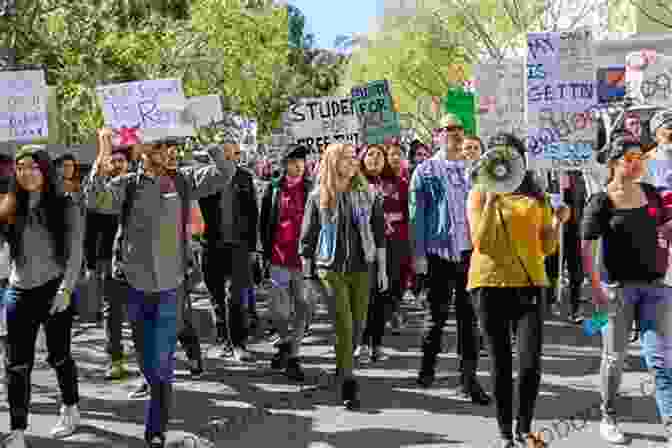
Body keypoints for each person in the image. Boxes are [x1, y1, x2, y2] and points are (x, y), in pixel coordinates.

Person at [89, 130, 235, 448]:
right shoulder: (127, 184)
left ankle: (155, 432)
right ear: (142, 151)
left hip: (172, 288)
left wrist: (206, 137)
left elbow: (224, 173)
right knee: (147, 362)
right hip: (135, 287)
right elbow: (95, 197)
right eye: (160, 146)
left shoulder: (183, 181)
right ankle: (156, 397)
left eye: (171, 147)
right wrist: (104, 148)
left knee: (163, 362)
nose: (168, 152)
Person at [467, 133, 569, 447]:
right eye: (498, 154)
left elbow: (548, 247)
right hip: (489, 285)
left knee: (529, 363)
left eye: (511, 154)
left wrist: (557, 224)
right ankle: (504, 433)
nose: (505, 160)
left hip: (529, 285)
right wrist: (492, 200)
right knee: (500, 363)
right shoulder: (478, 193)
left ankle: (524, 428)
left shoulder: (536, 197)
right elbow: (480, 242)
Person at [581, 137, 672, 445]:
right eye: (629, 158)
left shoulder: (651, 194)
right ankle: (609, 416)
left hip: (655, 290)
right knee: (615, 357)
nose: (636, 163)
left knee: (660, 358)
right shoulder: (601, 201)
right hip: (617, 292)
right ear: (613, 163)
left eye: (640, 158)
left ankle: (670, 422)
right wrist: (597, 290)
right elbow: (586, 249)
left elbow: (665, 227)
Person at [0, 145, 84, 448]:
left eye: (32, 166)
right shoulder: (9, 204)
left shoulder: (65, 204)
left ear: (45, 169)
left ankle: (70, 408)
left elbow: (76, 253)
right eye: (20, 167)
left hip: (54, 290)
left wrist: (66, 289)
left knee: (59, 356)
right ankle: (18, 431)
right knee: (16, 365)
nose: (25, 172)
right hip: (18, 292)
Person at [299, 142, 387, 409]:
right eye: (346, 158)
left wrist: (381, 269)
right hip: (330, 269)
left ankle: (342, 365)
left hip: (362, 269)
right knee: (344, 326)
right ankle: (349, 381)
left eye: (353, 158)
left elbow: (379, 233)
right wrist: (307, 279)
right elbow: (307, 239)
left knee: (358, 326)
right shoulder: (318, 196)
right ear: (333, 161)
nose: (352, 162)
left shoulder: (368, 193)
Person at [410, 114, 490, 405]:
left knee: (469, 322)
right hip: (439, 256)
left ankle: (469, 382)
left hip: (472, 256)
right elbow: (416, 218)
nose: (454, 134)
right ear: (437, 134)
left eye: (458, 129)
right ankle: (427, 368)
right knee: (436, 318)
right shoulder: (425, 171)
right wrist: (419, 256)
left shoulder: (476, 171)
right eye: (448, 129)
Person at [199, 141, 258, 363]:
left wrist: (253, 248)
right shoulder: (204, 177)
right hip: (211, 245)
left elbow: (253, 213)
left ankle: (239, 343)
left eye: (236, 153)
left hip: (239, 247)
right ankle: (224, 340)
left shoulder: (245, 177)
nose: (235, 157)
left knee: (235, 297)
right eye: (231, 153)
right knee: (216, 297)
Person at [259, 144, 313, 381]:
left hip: (304, 262)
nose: (298, 164)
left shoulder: (313, 189)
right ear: (284, 164)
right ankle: (285, 342)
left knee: (302, 307)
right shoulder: (272, 190)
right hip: (279, 259)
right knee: (279, 312)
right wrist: (263, 255)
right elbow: (263, 225)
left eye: (301, 160)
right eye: (293, 160)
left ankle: (294, 356)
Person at [82, 146, 131, 379]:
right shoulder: (100, 191)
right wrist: (91, 264)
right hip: (108, 259)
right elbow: (89, 229)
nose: (118, 164)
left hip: (138, 259)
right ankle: (116, 359)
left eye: (122, 160)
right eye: (114, 160)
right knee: (112, 310)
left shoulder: (138, 188)